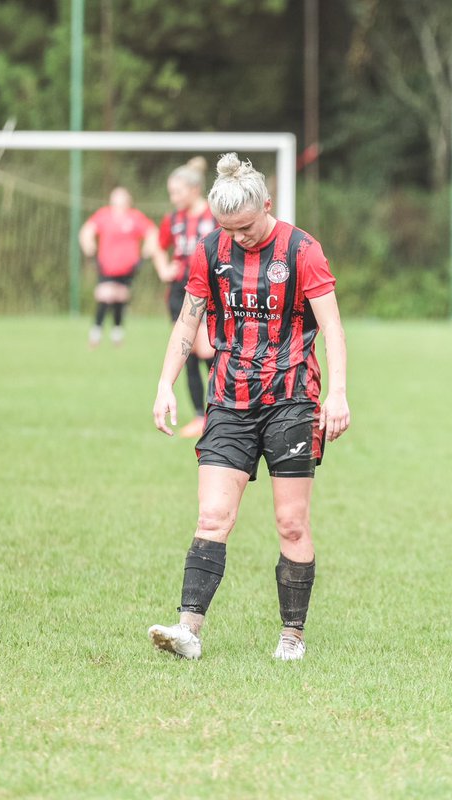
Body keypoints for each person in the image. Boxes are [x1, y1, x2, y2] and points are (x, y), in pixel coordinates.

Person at [148, 153, 350, 662]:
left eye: (244, 227)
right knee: (213, 516)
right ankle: (188, 631)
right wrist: (166, 384)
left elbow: (332, 328)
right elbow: (188, 321)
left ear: (267, 204)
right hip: (229, 400)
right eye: (226, 229)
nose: (236, 238)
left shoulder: (302, 250)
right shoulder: (209, 250)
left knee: (291, 523)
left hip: (291, 400)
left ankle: (292, 638)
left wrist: (338, 393)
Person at [155, 157, 218, 438]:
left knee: (208, 351)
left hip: (210, 291)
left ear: (194, 190)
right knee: (186, 354)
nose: (173, 198)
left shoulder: (216, 215)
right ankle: (199, 415)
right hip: (180, 291)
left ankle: (219, 409)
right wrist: (163, 267)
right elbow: (157, 246)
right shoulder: (173, 219)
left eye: (177, 192)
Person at [79, 187, 157, 347]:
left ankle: (117, 333)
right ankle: (96, 332)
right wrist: (89, 249)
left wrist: (145, 253)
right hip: (106, 266)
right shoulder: (104, 215)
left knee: (119, 299)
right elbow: (86, 231)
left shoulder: (134, 217)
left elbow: (152, 232)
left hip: (128, 268)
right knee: (105, 296)